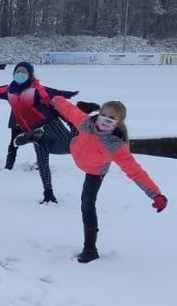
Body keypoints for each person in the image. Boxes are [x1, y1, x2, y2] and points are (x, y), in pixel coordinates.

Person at [39, 95, 167, 262]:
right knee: (51, 146)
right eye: (104, 114)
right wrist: (55, 100)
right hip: (75, 148)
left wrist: (156, 194)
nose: (106, 119)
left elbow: (135, 172)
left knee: (87, 204)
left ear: (119, 122)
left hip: (95, 171)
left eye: (112, 118)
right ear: (99, 114)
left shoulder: (115, 145)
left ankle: (90, 249)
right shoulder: (86, 123)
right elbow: (70, 111)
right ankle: (38, 137)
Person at [0, 61, 78, 203]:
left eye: (24, 72)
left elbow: (56, 103)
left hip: (50, 123)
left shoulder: (37, 90)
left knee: (73, 146)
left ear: (30, 75)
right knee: (42, 161)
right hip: (35, 131)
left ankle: (82, 129)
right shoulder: (10, 90)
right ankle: (48, 193)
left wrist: (71, 121)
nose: (20, 74)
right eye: (17, 71)